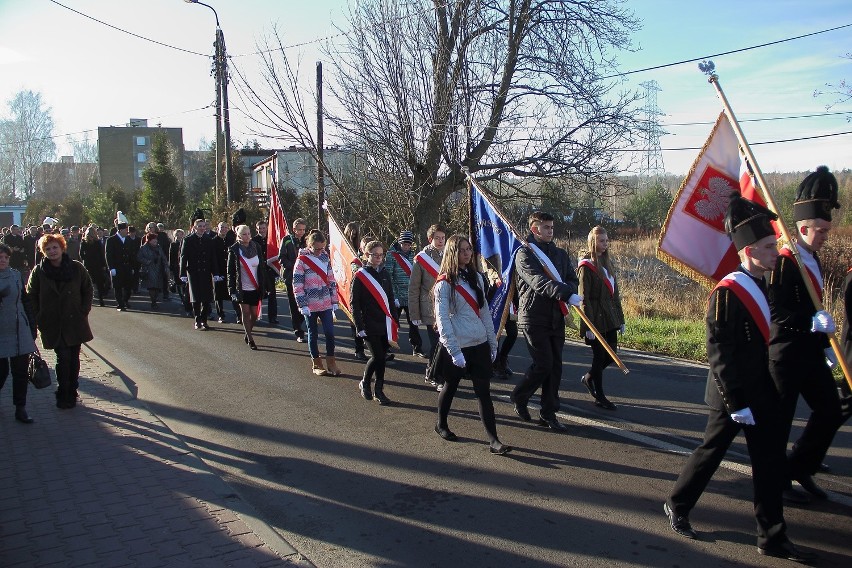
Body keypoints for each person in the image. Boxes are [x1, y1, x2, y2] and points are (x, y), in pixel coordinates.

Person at [664, 193, 816, 563]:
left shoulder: (765, 283)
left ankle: (772, 536)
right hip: (729, 395)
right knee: (711, 452)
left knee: (769, 461)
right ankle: (677, 503)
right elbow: (720, 352)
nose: (775, 250)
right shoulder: (728, 292)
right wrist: (736, 402)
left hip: (760, 389)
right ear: (748, 251)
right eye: (767, 245)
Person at [768, 166, 846, 504]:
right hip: (785, 353)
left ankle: (801, 465)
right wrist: (809, 323)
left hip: (811, 355)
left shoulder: (811, 259)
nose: (826, 236)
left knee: (830, 410)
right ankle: (774, 479)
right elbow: (775, 311)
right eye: (821, 230)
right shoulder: (786, 261)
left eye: (827, 230)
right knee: (780, 420)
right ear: (802, 228)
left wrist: (824, 343)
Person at [433, 235, 510, 455]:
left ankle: (494, 440)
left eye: (468, 249)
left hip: (480, 343)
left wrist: (492, 341)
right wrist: (454, 350)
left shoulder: (476, 276)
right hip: (457, 345)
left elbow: (484, 312)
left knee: (483, 392)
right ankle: (441, 424)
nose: (466, 253)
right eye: (461, 250)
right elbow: (442, 319)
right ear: (452, 253)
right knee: (451, 386)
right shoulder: (445, 284)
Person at [511, 211, 581, 431]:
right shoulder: (525, 254)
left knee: (556, 367)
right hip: (533, 316)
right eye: (546, 227)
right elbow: (538, 282)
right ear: (534, 229)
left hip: (556, 316)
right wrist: (565, 293)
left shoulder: (560, 254)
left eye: (552, 227)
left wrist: (569, 291)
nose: (551, 231)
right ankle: (519, 395)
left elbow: (572, 278)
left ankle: (548, 412)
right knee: (544, 364)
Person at [27, 233, 94, 410]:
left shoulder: (76, 268)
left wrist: (83, 310)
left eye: (55, 247)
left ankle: (72, 388)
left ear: (62, 247)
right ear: (43, 252)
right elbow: (31, 295)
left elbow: (87, 289)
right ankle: (63, 392)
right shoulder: (39, 271)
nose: (52, 251)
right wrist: (38, 315)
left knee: (73, 358)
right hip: (53, 322)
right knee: (62, 358)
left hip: (75, 321)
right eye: (48, 249)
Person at [578, 225, 625, 411]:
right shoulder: (586, 266)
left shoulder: (608, 264)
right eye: (601, 240)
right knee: (599, 358)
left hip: (610, 317)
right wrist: (587, 325)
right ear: (592, 242)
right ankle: (600, 396)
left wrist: (621, 319)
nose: (605, 244)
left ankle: (589, 378)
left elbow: (616, 295)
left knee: (612, 355)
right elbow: (584, 298)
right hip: (595, 318)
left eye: (606, 240)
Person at [351, 240, 396, 404]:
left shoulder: (385, 273)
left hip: (384, 323)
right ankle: (372, 386)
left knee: (381, 357)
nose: (378, 258)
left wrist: (395, 320)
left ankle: (376, 389)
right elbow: (354, 303)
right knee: (378, 356)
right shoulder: (360, 276)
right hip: (368, 323)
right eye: (374, 255)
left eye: (380, 255)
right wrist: (359, 326)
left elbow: (390, 298)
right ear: (366, 255)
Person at [293, 230, 340, 376]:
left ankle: (331, 362)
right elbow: (297, 284)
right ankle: (317, 364)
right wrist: (302, 304)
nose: (320, 251)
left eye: (322, 248)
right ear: (310, 245)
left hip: (325, 302)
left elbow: (331, 280)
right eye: (317, 248)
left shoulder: (325, 257)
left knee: (330, 333)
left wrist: (334, 300)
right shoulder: (301, 260)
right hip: (310, 304)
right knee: (313, 333)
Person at [0, 243, 38, 423]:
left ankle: (20, 408)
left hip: (19, 330)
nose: (3, 261)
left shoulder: (16, 276)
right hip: (1, 332)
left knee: (21, 373)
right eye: (0, 257)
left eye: (6, 257)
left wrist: (32, 325)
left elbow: (26, 301)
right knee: (1, 373)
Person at [409, 223, 447, 388]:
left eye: (443, 238)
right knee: (437, 343)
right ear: (430, 239)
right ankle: (434, 375)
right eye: (437, 238)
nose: (440, 241)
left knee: (445, 342)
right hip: (429, 307)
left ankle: (436, 371)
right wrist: (414, 315)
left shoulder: (449, 254)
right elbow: (414, 288)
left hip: (447, 305)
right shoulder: (422, 258)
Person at [386, 230, 424, 357]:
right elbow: (389, 276)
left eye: (408, 244)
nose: (406, 247)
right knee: (393, 322)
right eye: (404, 244)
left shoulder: (413, 255)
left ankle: (417, 347)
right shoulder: (391, 255)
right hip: (396, 294)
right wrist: (394, 296)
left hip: (410, 295)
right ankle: (387, 345)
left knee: (413, 322)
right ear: (399, 243)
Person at [180, 216, 222, 330]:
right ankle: (197, 320)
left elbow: (213, 257)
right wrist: (182, 273)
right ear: (194, 227)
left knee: (207, 298)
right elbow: (183, 258)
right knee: (196, 298)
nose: (202, 228)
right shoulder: (188, 240)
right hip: (193, 272)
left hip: (206, 272)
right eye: (200, 226)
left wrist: (216, 272)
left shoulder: (209, 240)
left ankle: (204, 320)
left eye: (204, 226)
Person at [227, 225, 266, 350]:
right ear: (238, 235)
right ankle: (250, 338)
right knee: (246, 312)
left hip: (255, 287)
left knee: (254, 315)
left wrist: (266, 285)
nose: (247, 236)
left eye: (249, 233)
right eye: (244, 234)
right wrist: (232, 289)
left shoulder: (256, 247)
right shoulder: (234, 250)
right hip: (242, 288)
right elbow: (231, 272)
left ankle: (248, 330)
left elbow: (261, 268)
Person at [279, 217, 308, 342]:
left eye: (303, 230)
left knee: (305, 304)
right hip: (291, 277)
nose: (301, 232)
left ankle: (303, 323)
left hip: (306, 278)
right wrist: (294, 266)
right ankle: (298, 331)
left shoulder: (307, 241)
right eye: (299, 230)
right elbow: (281, 258)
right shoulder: (286, 240)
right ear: (294, 229)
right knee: (294, 304)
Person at [344, 222, 368, 360]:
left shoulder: (361, 251)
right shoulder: (345, 248)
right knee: (355, 319)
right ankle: (358, 348)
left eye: (356, 231)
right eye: (351, 231)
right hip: (351, 287)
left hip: (365, 290)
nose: (353, 234)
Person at [252, 220, 279, 324]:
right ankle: (255, 316)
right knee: (257, 294)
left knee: (272, 294)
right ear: (257, 229)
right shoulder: (253, 241)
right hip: (258, 270)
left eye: (264, 228)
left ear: (267, 228)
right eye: (260, 228)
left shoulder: (271, 239)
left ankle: (272, 317)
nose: (262, 230)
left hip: (269, 270)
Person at [105, 220, 134, 311]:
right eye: (126, 230)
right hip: (117, 267)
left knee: (128, 287)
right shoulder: (111, 240)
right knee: (118, 287)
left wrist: (132, 266)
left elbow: (131, 254)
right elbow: (108, 255)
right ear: (121, 230)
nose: (127, 232)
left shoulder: (128, 239)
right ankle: (120, 304)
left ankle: (125, 300)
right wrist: (111, 267)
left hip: (127, 267)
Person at [79, 226, 110, 307]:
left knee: (88, 283)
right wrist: (103, 264)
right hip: (97, 264)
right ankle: (101, 300)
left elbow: (81, 254)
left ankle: (87, 300)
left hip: (88, 265)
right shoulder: (97, 242)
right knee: (99, 283)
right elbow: (101, 254)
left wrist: (85, 259)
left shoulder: (84, 242)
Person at [137, 233, 169, 310]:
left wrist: (166, 266)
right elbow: (139, 257)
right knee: (152, 286)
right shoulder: (144, 248)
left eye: (156, 239)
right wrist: (147, 261)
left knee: (157, 286)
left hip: (158, 269)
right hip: (149, 269)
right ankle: (153, 301)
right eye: (154, 239)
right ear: (150, 240)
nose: (156, 241)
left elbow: (163, 257)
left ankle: (155, 299)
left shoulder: (158, 247)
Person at [212, 222, 233, 323]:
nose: (223, 229)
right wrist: (215, 273)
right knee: (218, 294)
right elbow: (213, 258)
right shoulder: (213, 241)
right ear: (217, 229)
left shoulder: (231, 240)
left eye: (225, 227)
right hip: (218, 271)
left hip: (229, 270)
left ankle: (239, 315)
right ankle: (221, 315)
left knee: (233, 292)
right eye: (222, 227)